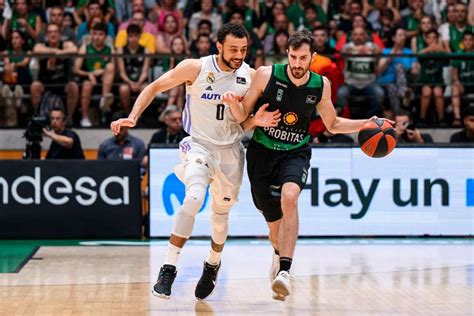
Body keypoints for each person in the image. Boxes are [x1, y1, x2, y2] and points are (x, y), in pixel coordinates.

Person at [222, 30, 393, 301]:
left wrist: (366, 123)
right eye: (293, 57)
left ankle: (285, 272)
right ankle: (278, 256)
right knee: (274, 228)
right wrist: (253, 118)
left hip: (295, 152)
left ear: (313, 57)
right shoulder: (266, 74)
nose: (298, 63)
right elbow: (242, 120)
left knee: (291, 197)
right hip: (262, 154)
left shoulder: (320, 85)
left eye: (303, 58)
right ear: (286, 54)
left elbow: (333, 124)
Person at [110, 23, 277, 300]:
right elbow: (155, 86)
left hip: (231, 151)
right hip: (198, 143)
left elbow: (243, 121)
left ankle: (212, 263)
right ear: (219, 46)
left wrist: (255, 121)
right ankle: (168, 267)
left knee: (220, 219)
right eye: (233, 49)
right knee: (193, 197)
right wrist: (133, 116)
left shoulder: (250, 76)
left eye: (244, 49)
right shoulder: (196, 67)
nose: (239, 55)